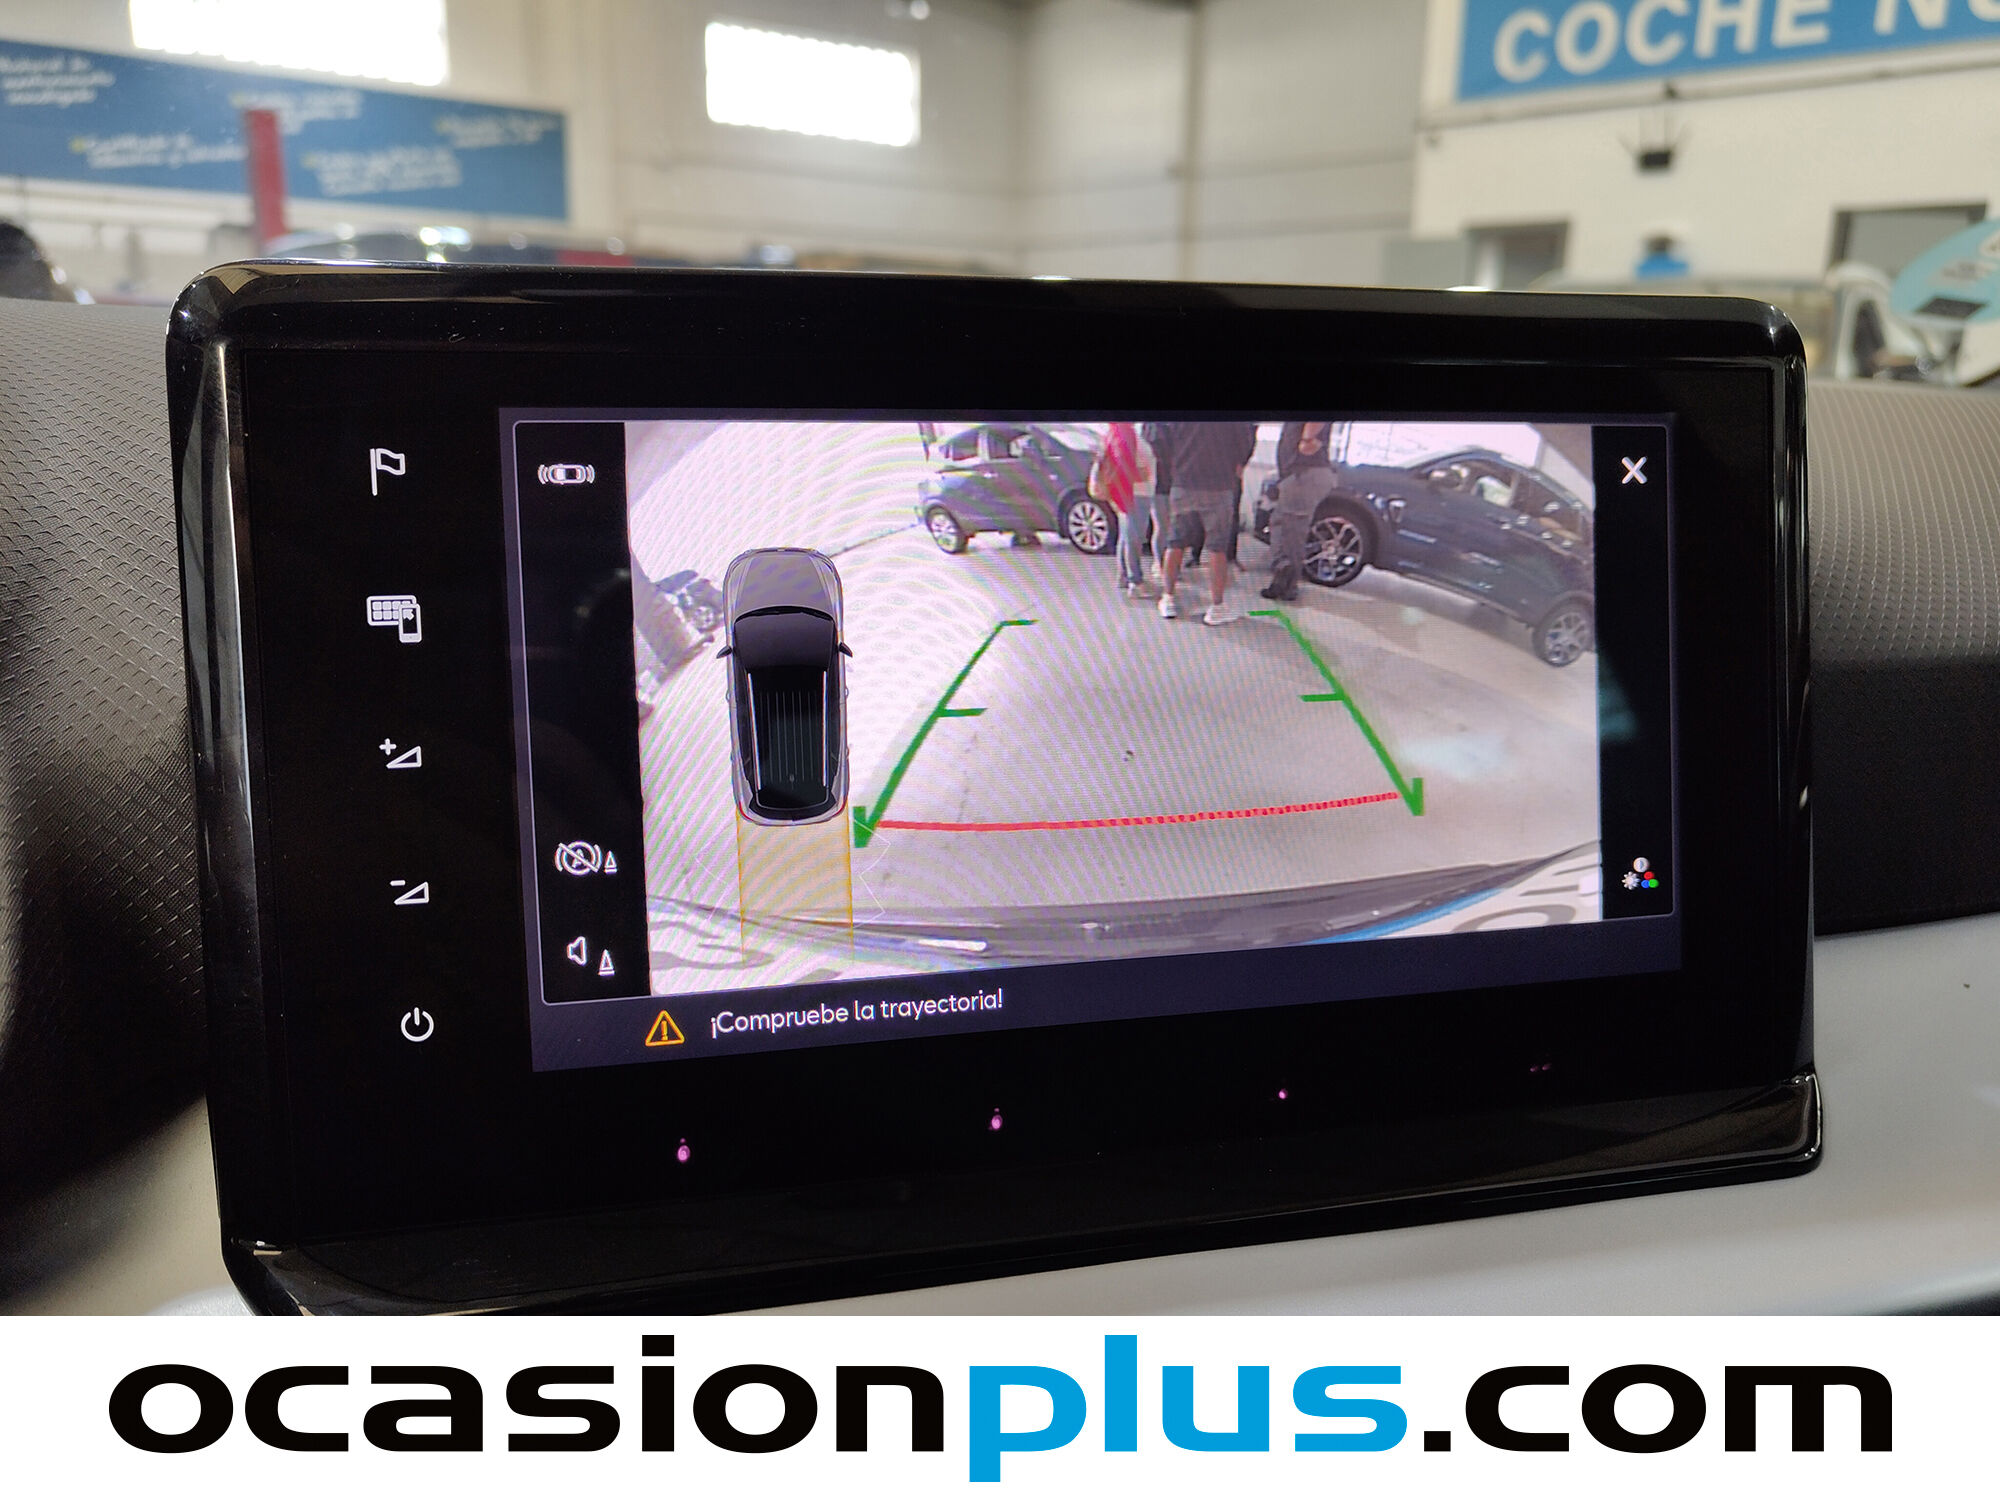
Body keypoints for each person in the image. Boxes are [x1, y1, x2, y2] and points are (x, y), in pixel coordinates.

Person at [1156, 421, 1256, 626]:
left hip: (1184, 481)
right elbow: (1246, 438)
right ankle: (1216, 607)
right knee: (1217, 548)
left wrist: (1175, 463)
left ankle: (1168, 598)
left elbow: (1157, 436)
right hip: (1219, 485)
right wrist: (1237, 465)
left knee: (1176, 543)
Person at [1262, 419, 1336, 602]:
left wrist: (1307, 439)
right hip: (1304, 474)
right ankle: (1285, 584)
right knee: (1292, 531)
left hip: (1303, 474)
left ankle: (1284, 571)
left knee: (1286, 529)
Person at [1093, 420, 1157, 597]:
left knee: (1127, 536)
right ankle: (1135, 581)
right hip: (1136, 493)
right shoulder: (1124, 432)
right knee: (1134, 538)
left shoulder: (1117, 430)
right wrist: (1138, 476)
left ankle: (1124, 576)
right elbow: (1121, 463)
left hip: (1130, 492)